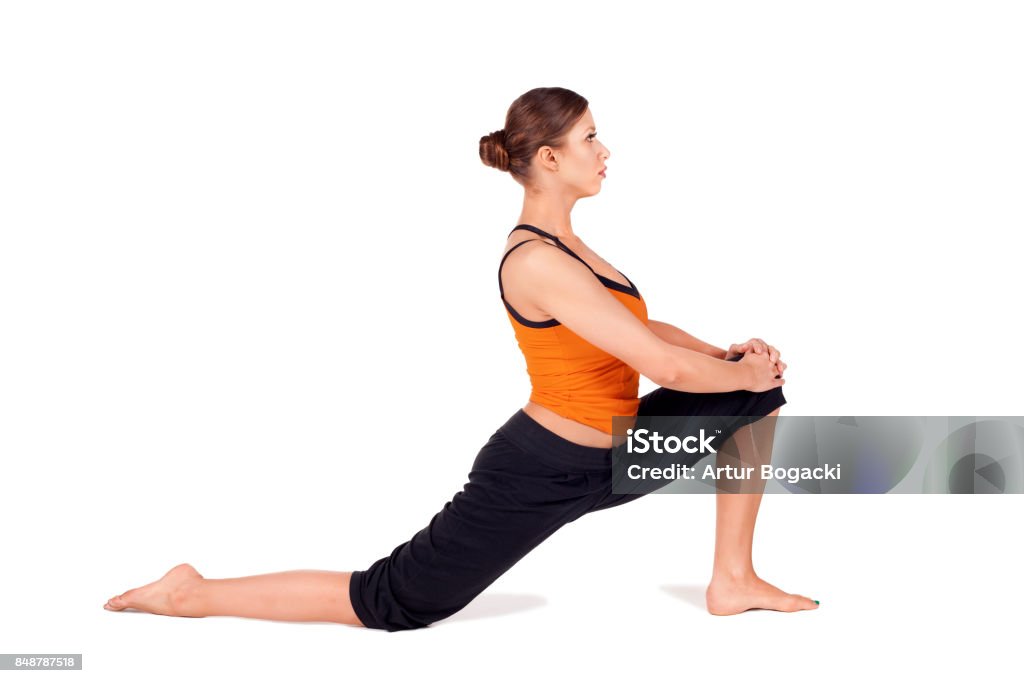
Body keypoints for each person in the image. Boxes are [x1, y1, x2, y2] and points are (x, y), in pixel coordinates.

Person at [103, 86, 817, 631]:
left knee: (755, 398)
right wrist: (732, 370)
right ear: (549, 158)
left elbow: (638, 326)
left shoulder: (573, 246)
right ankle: (191, 591)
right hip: (540, 469)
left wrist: (728, 355)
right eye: (591, 139)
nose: (605, 151)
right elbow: (669, 373)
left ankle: (733, 579)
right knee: (393, 601)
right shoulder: (535, 260)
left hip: (614, 455)